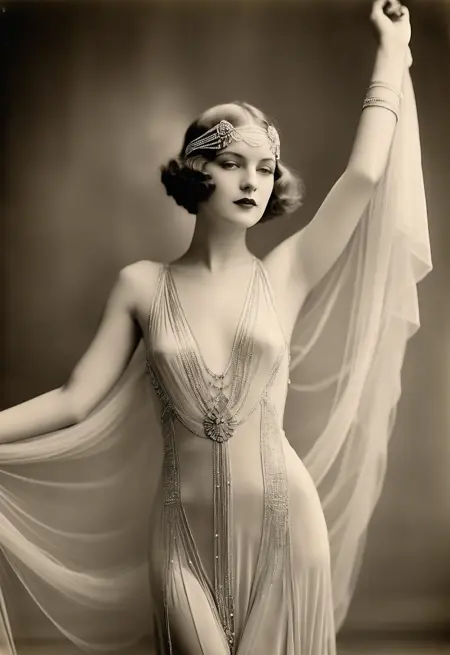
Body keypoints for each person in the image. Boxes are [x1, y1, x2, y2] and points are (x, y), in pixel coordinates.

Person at [0, 1, 432, 654]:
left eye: (266, 167)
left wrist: (392, 51)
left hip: (287, 531)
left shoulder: (288, 272)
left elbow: (366, 175)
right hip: (180, 540)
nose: (252, 181)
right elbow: (74, 399)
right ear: (196, 168)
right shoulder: (141, 284)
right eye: (233, 162)